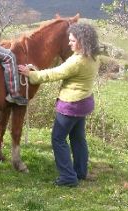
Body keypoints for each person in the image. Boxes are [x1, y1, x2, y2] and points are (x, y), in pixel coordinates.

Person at [18, 23, 100, 187]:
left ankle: (68, 177)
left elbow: (54, 74)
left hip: (71, 105)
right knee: (78, 138)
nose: (69, 43)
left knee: (58, 139)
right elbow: (63, 70)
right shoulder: (93, 57)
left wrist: (31, 74)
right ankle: (81, 172)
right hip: (84, 104)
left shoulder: (77, 61)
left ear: (82, 41)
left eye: (72, 41)